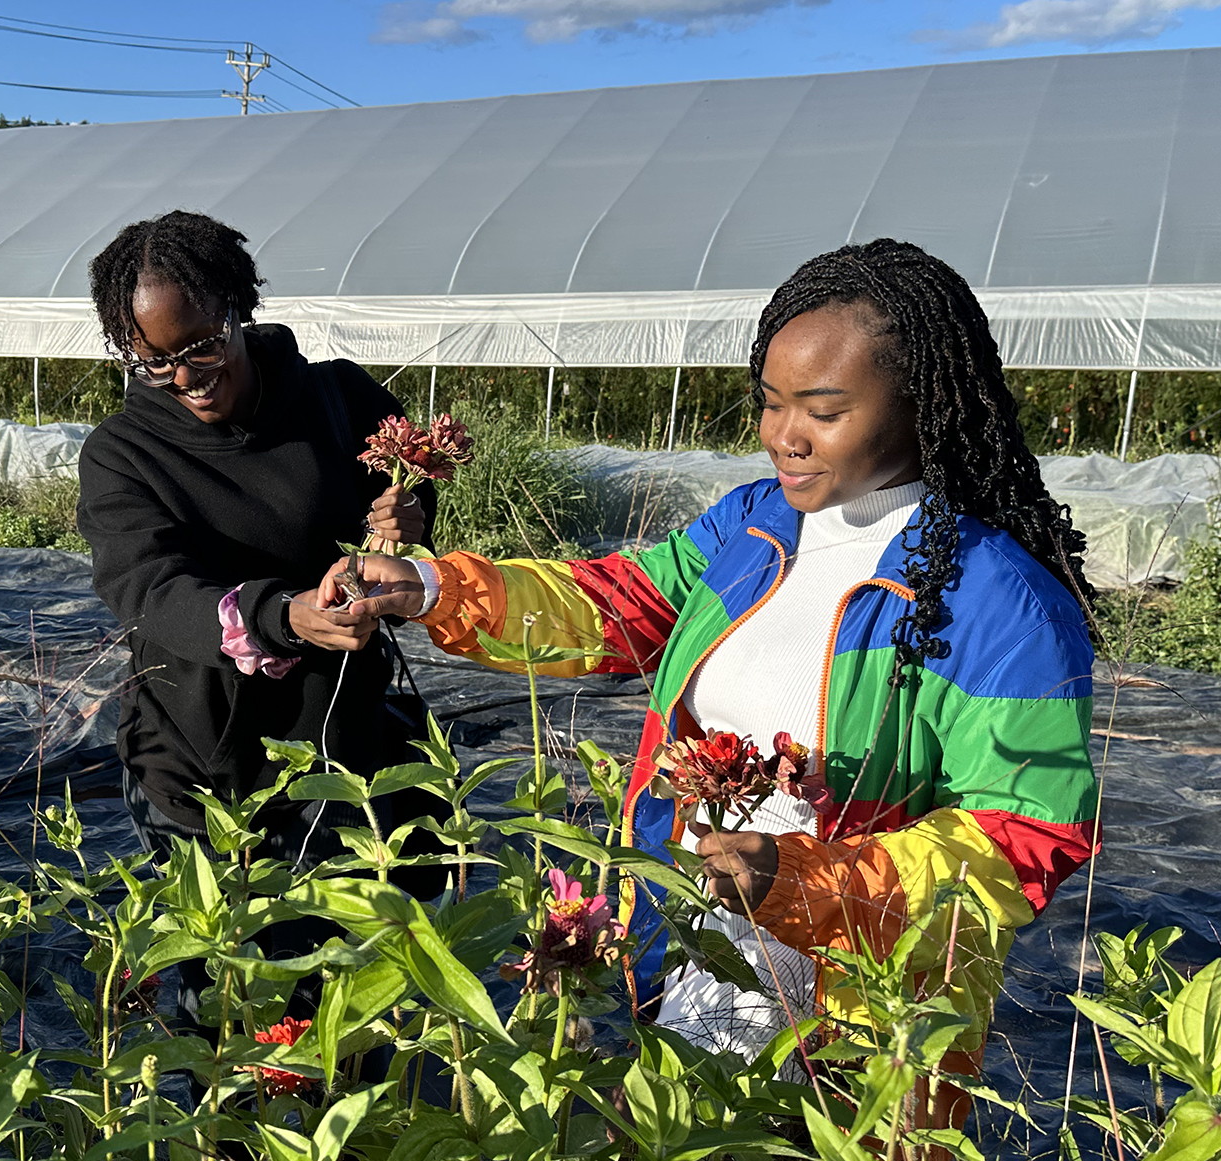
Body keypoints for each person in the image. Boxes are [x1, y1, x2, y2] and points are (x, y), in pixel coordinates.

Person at [321, 238, 1098, 1110]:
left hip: (868, 995)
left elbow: (1027, 833)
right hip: (700, 932)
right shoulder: (756, 524)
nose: (784, 438)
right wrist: (434, 586)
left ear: (921, 408)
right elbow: (622, 604)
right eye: (770, 404)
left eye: (823, 410)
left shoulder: (1000, 600)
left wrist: (808, 879)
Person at [77, 210, 431, 866]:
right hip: (199, 760)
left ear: (237, 309)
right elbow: (152, 587)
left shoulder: (341, 400)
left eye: (203, 346)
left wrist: (404, 522)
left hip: (339, 737)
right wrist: (281, 616)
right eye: (156, 364)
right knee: (225, 960)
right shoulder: (122, 454)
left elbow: (406, 504)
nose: (185, 377)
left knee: (348, 948)